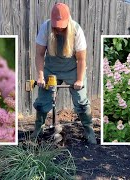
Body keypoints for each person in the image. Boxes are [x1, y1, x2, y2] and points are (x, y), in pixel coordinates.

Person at [31, 3, 97, 144]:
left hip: (73, 70)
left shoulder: (76, 30)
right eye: (56, 25)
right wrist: (40, 76)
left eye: (62, 25)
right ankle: (38, 130)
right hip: (51, 70)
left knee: (81, 102)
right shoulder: (45, 27)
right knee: (42, 102)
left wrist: (79, 80)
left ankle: (89, 131)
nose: (59, 28)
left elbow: (81, 59)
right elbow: (39, 54)